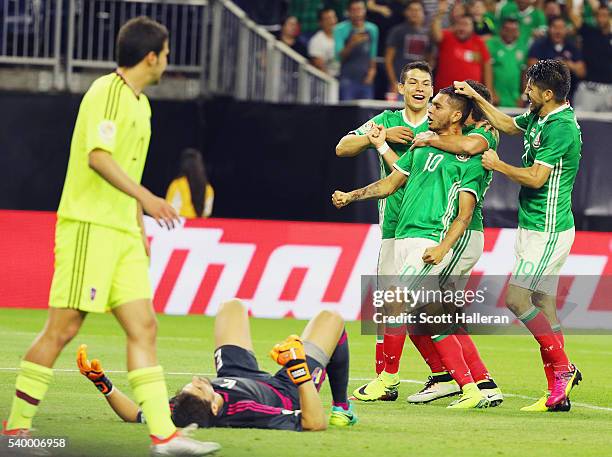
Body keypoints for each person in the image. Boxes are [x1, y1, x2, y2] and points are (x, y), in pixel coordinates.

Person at [1, 16, 219, 456]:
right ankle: (17, 432)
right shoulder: (107, 91)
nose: (168, 61)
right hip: (89, 226)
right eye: (167, 53)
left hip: (121, 232)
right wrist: (150, 200)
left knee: (145, 327)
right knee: (62, 329)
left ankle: (165, 436)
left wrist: (137, 226)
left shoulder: (142, 105)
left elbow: (128, 170)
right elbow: (98, 158)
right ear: (151, 56)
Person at [333, 86, 491, 409]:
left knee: (395, 302)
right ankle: (471, 387)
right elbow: (390, 183)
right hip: (403, 238)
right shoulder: (420, 148)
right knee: (431, 317)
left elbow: (464, 215)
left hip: (427, 242)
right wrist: (351, 196)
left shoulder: (469, 157)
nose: (430, 109)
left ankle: (389, 377)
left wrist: (444, 247)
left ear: (457, 115)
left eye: (438, 105)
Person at [454, 58, 583, 411]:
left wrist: (499, 166)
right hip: (534, 226)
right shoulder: (541, 117)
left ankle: (563, 370)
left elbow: (537, 178)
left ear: (548, 93)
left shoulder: (561, 128)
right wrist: (476, 98)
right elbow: (509, 125)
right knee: (543, 303)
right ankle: (558, 388)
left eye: (530, 88)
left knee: (517, 299)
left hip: (548, 228)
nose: (524, 91)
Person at [76, 299, 357, 430]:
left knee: (230, 307)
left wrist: (103, 384)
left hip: (236, 371)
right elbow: (313, 423)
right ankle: (342, 407)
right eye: (200, 387)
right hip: (285, 388)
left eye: (192, 385)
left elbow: (137, 415)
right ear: (214, 406)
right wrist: (298, 370)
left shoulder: (182, 409)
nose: (198, 380)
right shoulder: (247, 412)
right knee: (331, 318)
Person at [404, 80, 504, 406]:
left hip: (463, 232)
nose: (434, 109)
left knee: (431, 309)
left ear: (463, 109)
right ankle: (477, 382)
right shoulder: (459, 136)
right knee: (440, 311)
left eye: (443, 104)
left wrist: (431, 139)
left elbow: (468, 148)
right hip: (461, 233)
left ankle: (463, 381)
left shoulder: (484, 134)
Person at [336, 61, 433, 384]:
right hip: (392, 228)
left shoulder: (439, 123)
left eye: (426, 83)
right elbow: (342, 147)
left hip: (430, 228)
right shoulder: (386, 121)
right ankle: (385, 376)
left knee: (426, 307)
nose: (420, 88)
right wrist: (379, 137)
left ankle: (457, 376)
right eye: (414, 82)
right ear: (401, 88)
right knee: (390, 302)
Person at [432, 10, 495, 102]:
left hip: (470, 97)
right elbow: (436, 35)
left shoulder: (479, 42)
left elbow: (487, 66)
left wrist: (489, 91)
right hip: (444, 95)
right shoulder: (447, 36)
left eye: (466, 24)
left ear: (473, 27)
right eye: (459, 24)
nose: (462, 28)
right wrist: (439, 15)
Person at [527, 16, 586, 101]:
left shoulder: (572, 47)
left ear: (566, 30)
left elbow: (582, 72)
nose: (558, 31)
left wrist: (569, 65)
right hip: (543, 97)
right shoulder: (539, 45)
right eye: (555, 27)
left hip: (567, 98)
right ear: (549, 29)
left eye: (561, 28)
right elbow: (531, 69)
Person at [384, 1, 433, 98]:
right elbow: (388, 60)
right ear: (405, 12)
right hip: (400, 84)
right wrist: (393, 82)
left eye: (418, 10)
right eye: (411, 10)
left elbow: (430, 60)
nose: (414, 13)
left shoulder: (429, 34)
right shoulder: (397, 31)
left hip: (420, 86)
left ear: (423, 13)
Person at [334, 0, 379, 100]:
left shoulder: (372, 29)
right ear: (348, 12)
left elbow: (373, 54)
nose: (357, 13)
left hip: (366, 79)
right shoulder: (339, 29)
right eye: (354, 10)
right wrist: (351, 44)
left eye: (360, 9)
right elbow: (339, 57)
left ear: (365, 11)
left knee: (367, 113)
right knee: (347, 111)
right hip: (347, 79)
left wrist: (372, 72)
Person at [571, 5, 612, 112]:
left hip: (609, 91)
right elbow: (574, 16)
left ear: (609, 17)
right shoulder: (589, 33)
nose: (601, 18)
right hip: (588, 89)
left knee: (607, 127)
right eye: (598, 16)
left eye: (604, 15)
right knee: (581, 124)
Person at [487, 17, 529, 107]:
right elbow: (487, 70)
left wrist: (523, 96)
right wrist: (491, 92)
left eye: (514, 30)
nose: (510, 33)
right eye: (507, 30)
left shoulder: (523, 47)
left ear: (518, 31)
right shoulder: (492, 44)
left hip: (515, 99)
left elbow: (525, 73)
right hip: (496, 98)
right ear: (501, 30)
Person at [166, 148, 214, 219]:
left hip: (180, 225)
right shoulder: (208, 188)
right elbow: (207, 212)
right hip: (199, 228)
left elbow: (169, 208)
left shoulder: (177, 184)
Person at [308, 7, 340, 77]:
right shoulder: (316, 41)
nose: (332, 21)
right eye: (327, 19)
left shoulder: (343, 35)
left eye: (333, 17)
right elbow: (320, 68)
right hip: (328, 80)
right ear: (320, 23)